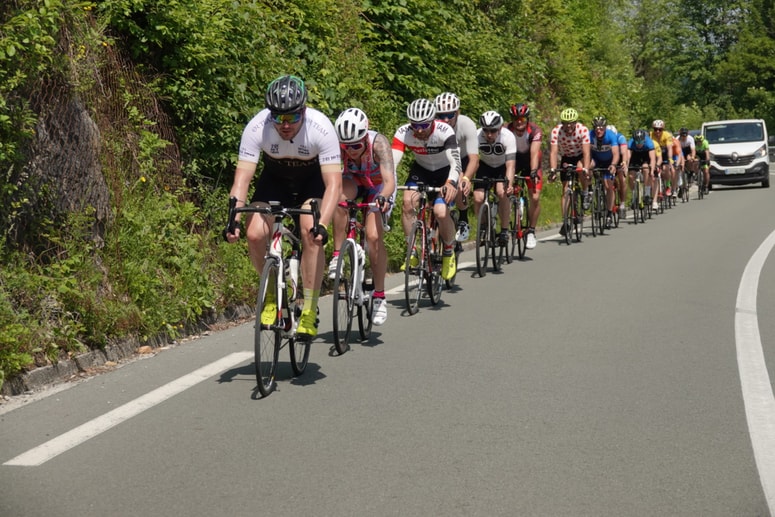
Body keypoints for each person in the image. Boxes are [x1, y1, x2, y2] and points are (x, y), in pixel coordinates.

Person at [225, 75, 342, 340]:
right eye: (278, 117)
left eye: (291, 117)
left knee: (310, 230)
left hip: (311, 183)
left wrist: (323, 224)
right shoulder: (257, 126)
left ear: (303, 111)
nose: (285, 124)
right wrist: (233, 218)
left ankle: (310, 309)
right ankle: (268, 297)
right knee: (254, 234)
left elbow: (333, 184)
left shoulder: (321, 127)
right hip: (274, 181)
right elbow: (242, 179)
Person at [328, 108, 395, 325]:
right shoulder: (337, 145)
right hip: (353, 181)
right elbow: (331, 175)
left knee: (374, 238)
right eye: (346, 147)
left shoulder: (379, 144)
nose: (351, 151)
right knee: (338, 198)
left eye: (356, 145)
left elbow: (389, 182)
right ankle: (338, 253)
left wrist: (383, 199)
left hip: (378, 187)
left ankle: (379, 296)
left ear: (365, 136)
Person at [393, 98, 461, 280]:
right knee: (407, 203)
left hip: (445, 172)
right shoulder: (403, 132)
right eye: (415, 125)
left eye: (424, 124)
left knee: (440, 211)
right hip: (421, 171)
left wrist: (451, 183)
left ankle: (448, 250)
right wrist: (388, 183)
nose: (420, 130)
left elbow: (456, 162)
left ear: (432, 121)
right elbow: (391, 163)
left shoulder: (444, 131)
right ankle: (413, 250)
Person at [434, 92, 479, 243]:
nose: (446, 119)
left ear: (457, 112)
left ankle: (463, 218)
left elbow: (474, 159)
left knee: (460, 185)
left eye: (450, 115)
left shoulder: (467, 125)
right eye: (441, 115)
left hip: (464, 158)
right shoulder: (433, 125)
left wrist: (466, 178)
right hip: (443, 159)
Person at [473, 110, 516, 244]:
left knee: (501, 192)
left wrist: (509, 183)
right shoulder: (476, 135)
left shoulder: (508, 137)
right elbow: (472, 159)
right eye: (486, 130)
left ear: (500, 128)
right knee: (478, 197)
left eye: (493, 131)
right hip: (485, 166)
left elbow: (510, 165)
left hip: (502, 167)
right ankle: (483, 226)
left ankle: (504, 230)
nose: (489, 134)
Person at [548, 108, 591, 236]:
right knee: (565, 188)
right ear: (562, 123)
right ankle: (565, 221)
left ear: (576, 122)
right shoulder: (556, 131)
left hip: (580, 156)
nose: (569, 125)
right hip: (566, 156)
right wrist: (552, 169)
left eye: (572, 122)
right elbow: (554, 152)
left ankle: (584, 192)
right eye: (566, 122)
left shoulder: (582, 129)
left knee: (580, 168)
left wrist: (586, 169)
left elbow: (586, 152)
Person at [505, 103, 543, 249]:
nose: (518, 122)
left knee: (535, 197)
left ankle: (531, 231)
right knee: (505, 189)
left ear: (527, 119)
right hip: (513, 160)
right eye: (515, 119)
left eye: (521, 118)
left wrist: (533, 172)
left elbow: (534, 154)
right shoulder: (506, 129)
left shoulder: (534, 130)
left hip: (531, 162)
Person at [588, 116, 621, 227]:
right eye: (596, 128)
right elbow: (586, 152)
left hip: (608, 161)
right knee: (588, 166)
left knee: (608, 186)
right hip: (596, 160)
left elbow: (616, 154)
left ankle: (609, 213)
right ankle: (589, 190)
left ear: (605, 128)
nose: (598, 130)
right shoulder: (590, 135)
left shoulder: (611, 136)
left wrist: (613, 165)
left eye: (601, 128)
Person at [627, 129, 657, 204]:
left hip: (646, 155)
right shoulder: (630, 143)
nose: (639, 144)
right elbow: (628, 157)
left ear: (644, 139)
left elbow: (652, 159)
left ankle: (647, 192)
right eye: (637, 142)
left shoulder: (649, 142)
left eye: (641, 142)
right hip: (635, 156)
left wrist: (652, 171)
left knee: (646, 168)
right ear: (634, 140)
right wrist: (626, 168)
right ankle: (634, 194)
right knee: (631, 176)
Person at [649, 119, 674, 209]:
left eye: (660, 129)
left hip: (664, 152)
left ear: (663, 129)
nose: (658, 131)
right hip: (655, 153)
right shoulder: (650, 135)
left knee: (665, 169)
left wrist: (670, 159)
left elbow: (670, 148)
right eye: (655, 129)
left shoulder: (667, 135)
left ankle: (667, 185)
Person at [676, 127, 696, 197]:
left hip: (688, 150)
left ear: (687, 134)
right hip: (680, 151)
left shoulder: (690, 138)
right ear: (680, 135)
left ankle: (691, 173)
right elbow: (677, 152)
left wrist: (693, 157)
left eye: (685, 136)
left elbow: (693, 150)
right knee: (679, 164)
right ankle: (680, 186)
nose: (684, 137)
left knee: (689, 158)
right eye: (682, 136)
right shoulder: (677, 139)